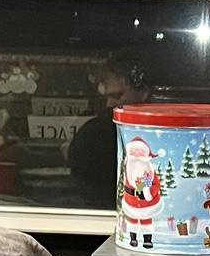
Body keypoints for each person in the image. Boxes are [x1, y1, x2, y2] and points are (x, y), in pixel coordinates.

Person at [66, 53, 158, 208]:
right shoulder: (97, 132)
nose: (109, 103)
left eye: (117, 96)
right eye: (108, 97)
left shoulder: (100, 133)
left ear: (144, 92)